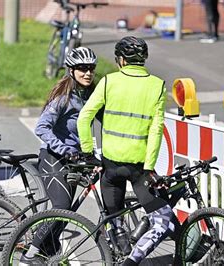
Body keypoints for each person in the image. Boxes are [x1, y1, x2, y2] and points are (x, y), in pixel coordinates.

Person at [77, 36, 174, 265]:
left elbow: (85, 118)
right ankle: (133, 260)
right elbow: (156, 130)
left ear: (120, 60)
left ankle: (115, 255)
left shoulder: (109, 82)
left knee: (115, 221)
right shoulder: (157, 85)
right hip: (140, 168)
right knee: (163, 220)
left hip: (110, 167)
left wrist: (89, 152)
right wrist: (150, 167)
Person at [20, 47, 98, 264]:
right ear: (71, 70)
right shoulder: (64, 97)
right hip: (54, 157)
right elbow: (41, 128)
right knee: (61, 208)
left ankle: (46, 253)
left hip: (74, 160)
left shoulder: (91, 94)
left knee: (66, 216)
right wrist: (66, 150)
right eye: (82, 68)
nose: (87, 73)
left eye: (91, 68)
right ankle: (28, 256)